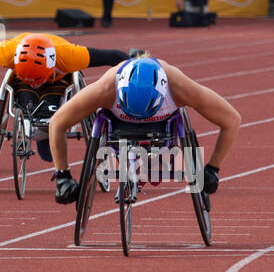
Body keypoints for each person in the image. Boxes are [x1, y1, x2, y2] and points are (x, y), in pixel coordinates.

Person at [49, 55, 241, 204]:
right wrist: (62, 176)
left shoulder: (179, 87)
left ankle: (146, 168)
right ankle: (141, 168)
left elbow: (231, 120)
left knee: (159, 163)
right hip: (118, 123)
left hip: (162, 124)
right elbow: (57, 123)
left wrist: (213, 168)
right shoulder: (106, 88)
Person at [0, 32, 133, 162]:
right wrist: (29, 80)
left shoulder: (70, 56)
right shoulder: (6, 53)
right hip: (22, 78)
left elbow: (114, 56)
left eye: (38, 80)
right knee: (27, 108)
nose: (35, 85)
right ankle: (35, 119)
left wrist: (136, 65)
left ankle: (46, 130)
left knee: (47, 116)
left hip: (58, 78)